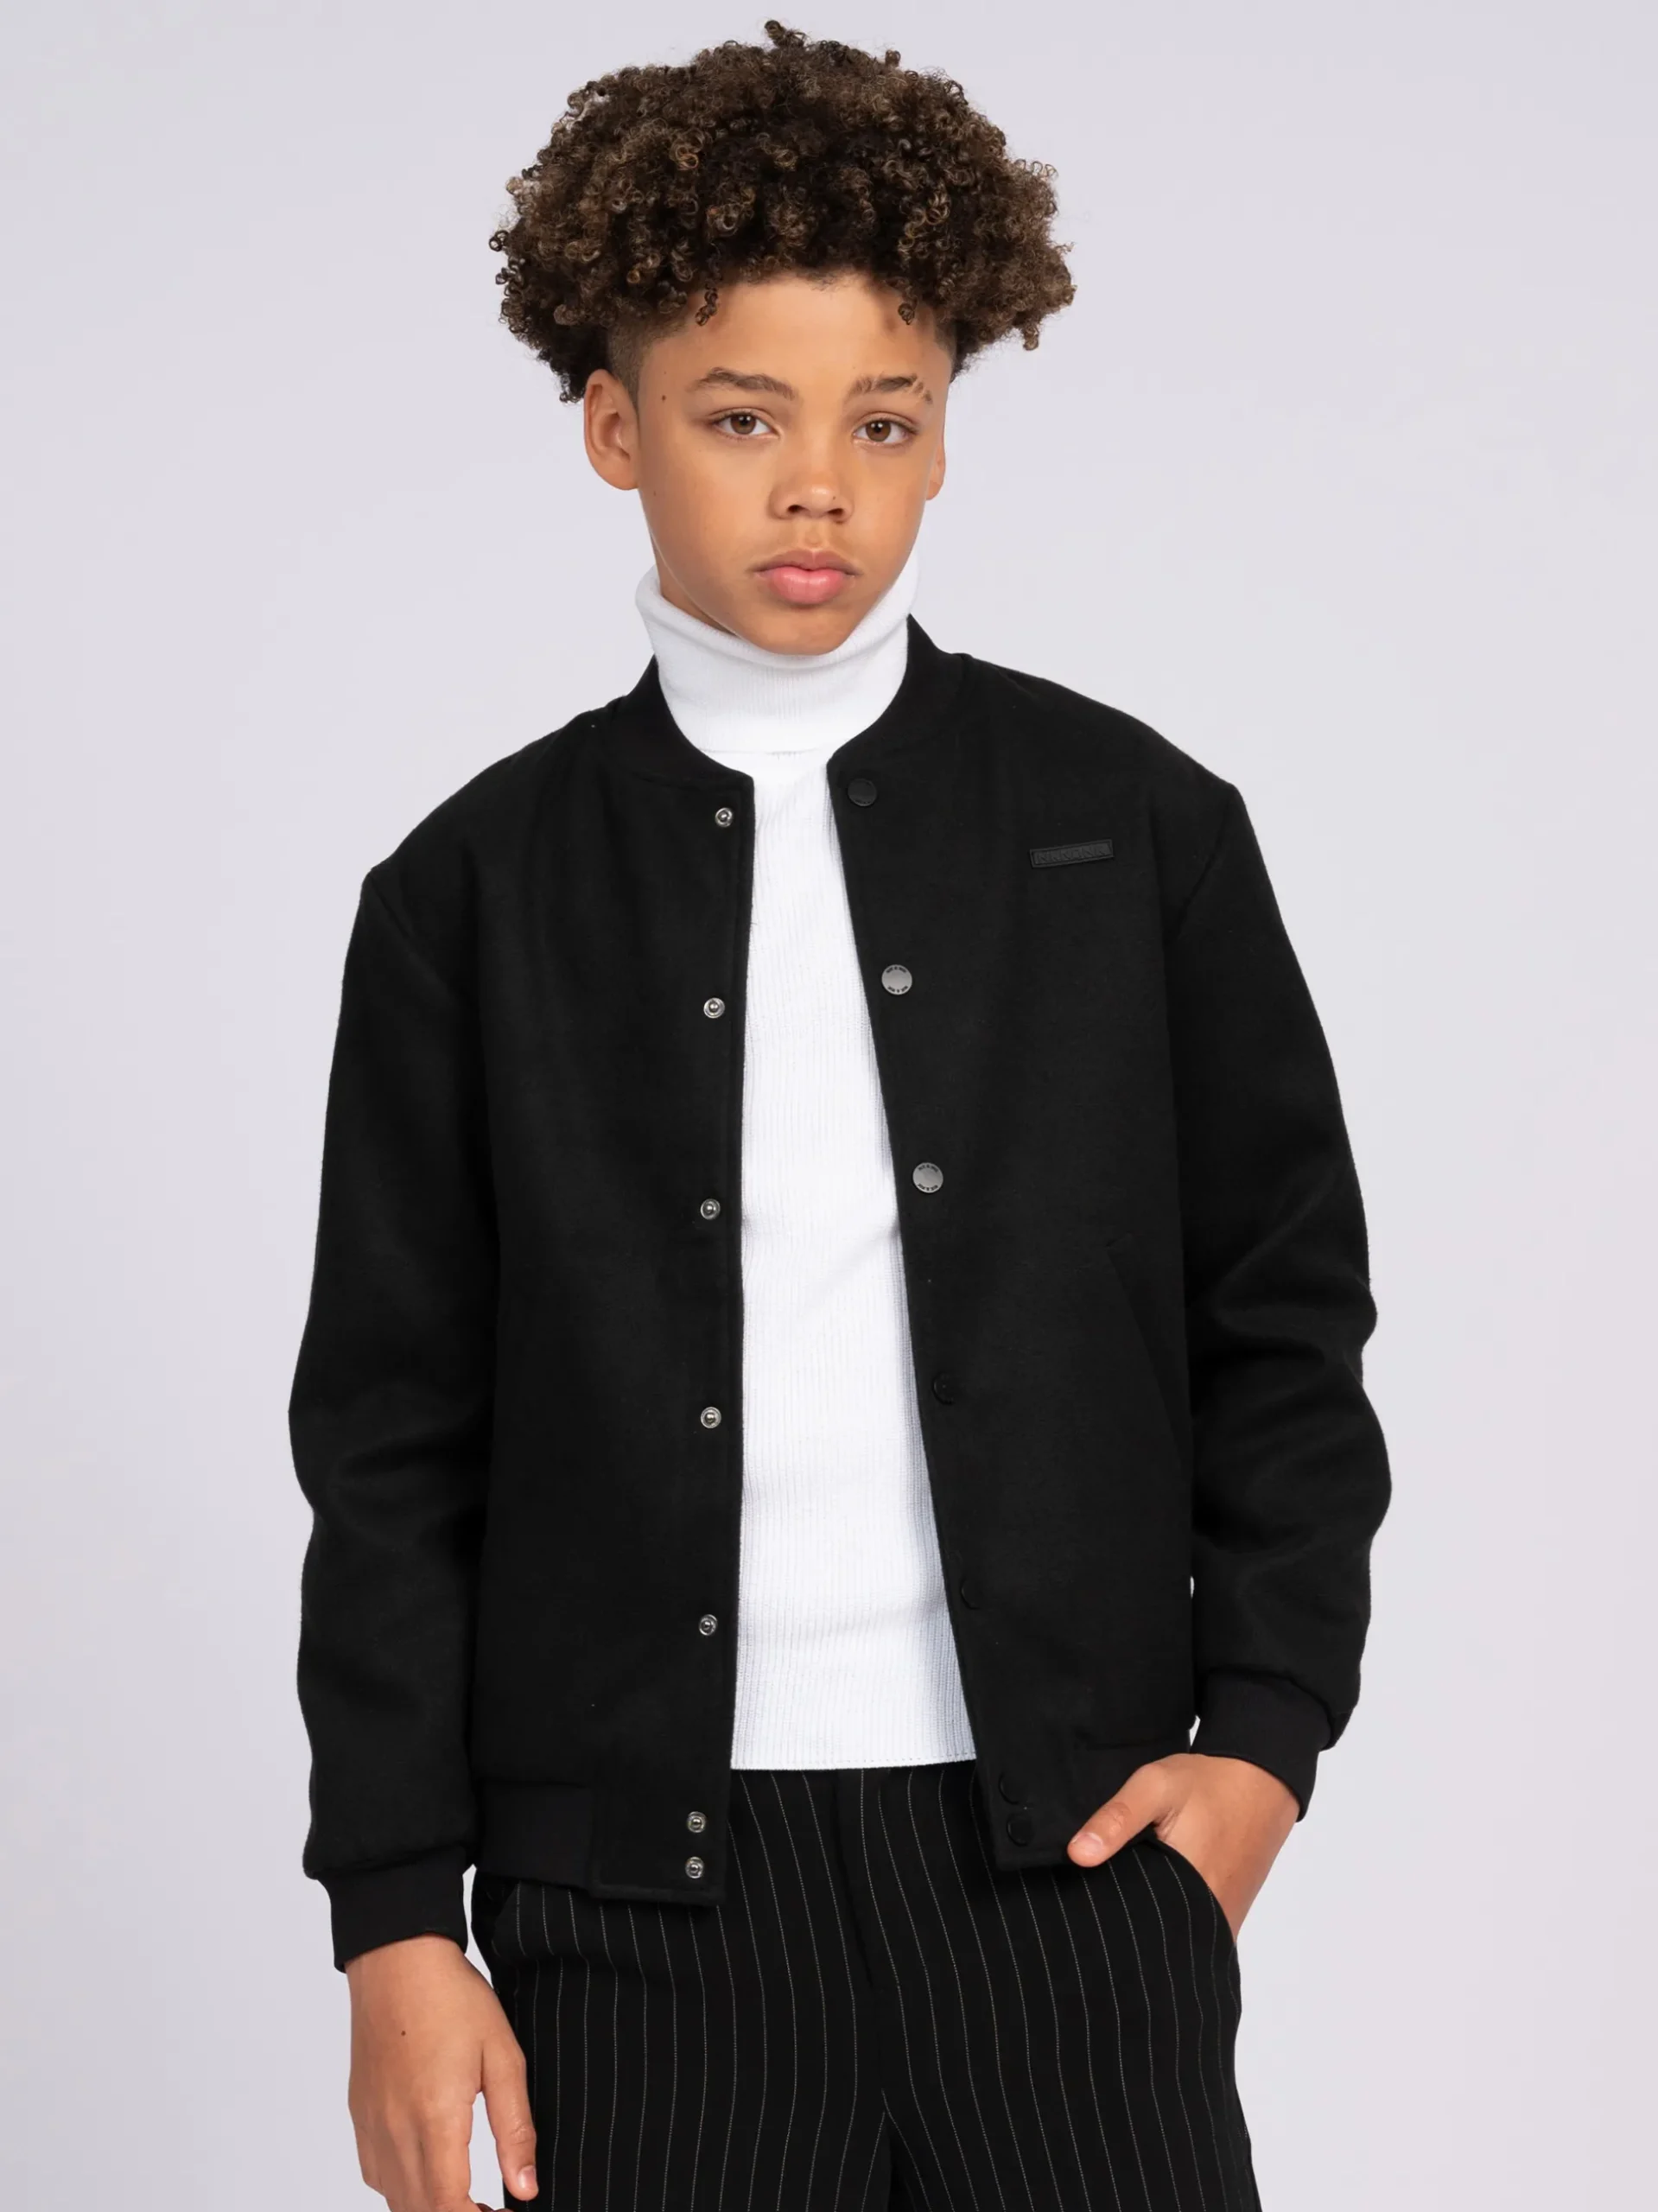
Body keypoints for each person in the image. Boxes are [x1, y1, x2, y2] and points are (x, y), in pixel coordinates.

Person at [289, 22, 1392, 2211]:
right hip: (635, 1909)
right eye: (741, 418)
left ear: (943, 435)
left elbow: (1283, 1317)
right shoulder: (470, 896)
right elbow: (392, 1438)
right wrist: (396, 1917)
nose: (818, 485)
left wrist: (1262, 1740)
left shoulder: (1135, 829)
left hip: (1067, 1861)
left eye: (882, 418)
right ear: (614, 429)